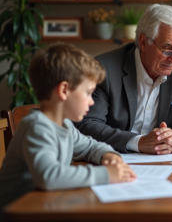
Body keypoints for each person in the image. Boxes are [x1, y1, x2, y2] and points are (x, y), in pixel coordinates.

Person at [0, 43, 136, 212]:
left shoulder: (64, 124)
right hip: (18, 213)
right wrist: (107, 175)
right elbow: (49, 177)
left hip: (44, 205)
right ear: (64, 90)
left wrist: (107, 155)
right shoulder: (37, 128)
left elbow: (89, 146)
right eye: (88, 92)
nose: (92, 101)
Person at [76, 4, 172, 154]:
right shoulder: (104, 69)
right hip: (116, 158)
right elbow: (88, 124)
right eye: (167, 48)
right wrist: (138, 142)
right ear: (143, 42)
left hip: (164, 161)